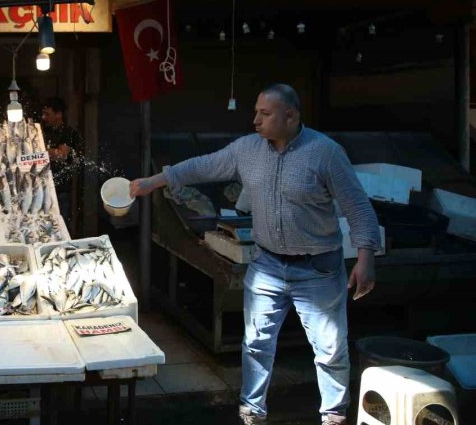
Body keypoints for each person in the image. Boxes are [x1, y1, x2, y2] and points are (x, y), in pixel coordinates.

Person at [129, 83, 380, 425]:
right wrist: (153, 181)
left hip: (318, 268)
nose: (255, 120)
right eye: (256, 112)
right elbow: (204, 165)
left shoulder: (325, 153)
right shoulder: (247, 150)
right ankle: (252, 412)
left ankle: (333, 416)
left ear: (290, 116)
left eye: (265, 113)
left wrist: (366, 257)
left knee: (330, 349)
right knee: (256, 345)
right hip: (267, 266)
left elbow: (358, 207)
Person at [40, 97, 83, 230]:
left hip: (61, 189)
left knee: (61, 224)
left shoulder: (69, 133)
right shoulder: (43, 132)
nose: (43, 117)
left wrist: (40, 151)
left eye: (47, 114)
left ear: (59, 114)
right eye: (43, 114)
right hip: (42, 187)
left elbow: (61, 155)